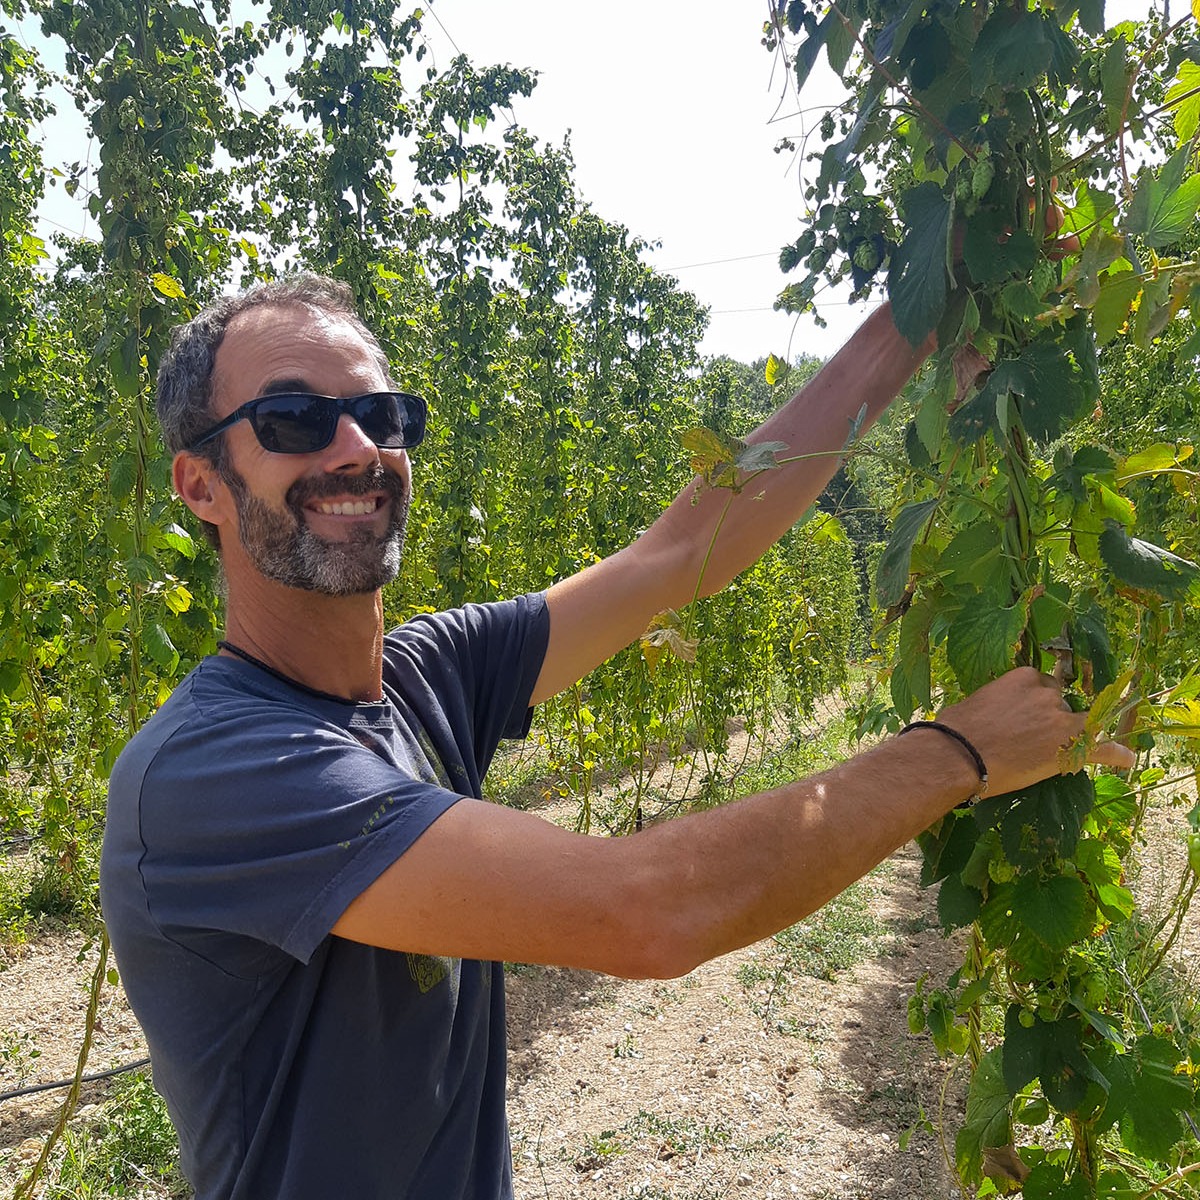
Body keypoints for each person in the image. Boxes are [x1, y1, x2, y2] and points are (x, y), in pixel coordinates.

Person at [99, 273, 1131, 1200]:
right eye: (292, 419)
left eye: (380, 414)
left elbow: (683, 549)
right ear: (199, 486)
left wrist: (922, 303)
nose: (357, 449)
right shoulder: (213, 772)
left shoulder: (423, 680)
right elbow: (645, 911)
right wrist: (957, 751)